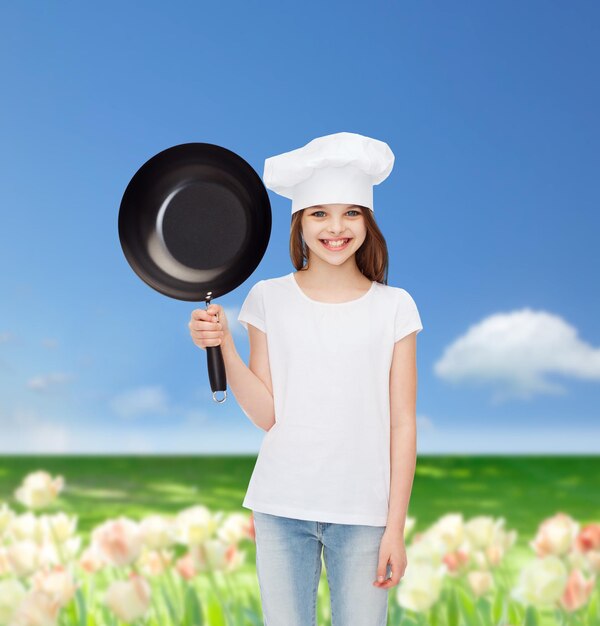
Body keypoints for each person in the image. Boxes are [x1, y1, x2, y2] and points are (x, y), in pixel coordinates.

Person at [188, 131, 423, 626]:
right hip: (280, 505)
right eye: (319, 213)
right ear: (299, 221)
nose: (335, 228)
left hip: (364, 514)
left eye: (351, 213)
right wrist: (224, 345)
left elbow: (402, 424)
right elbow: (268, 414)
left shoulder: (394, 307)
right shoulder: (268, 298)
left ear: (368, 221)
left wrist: (395, 528)